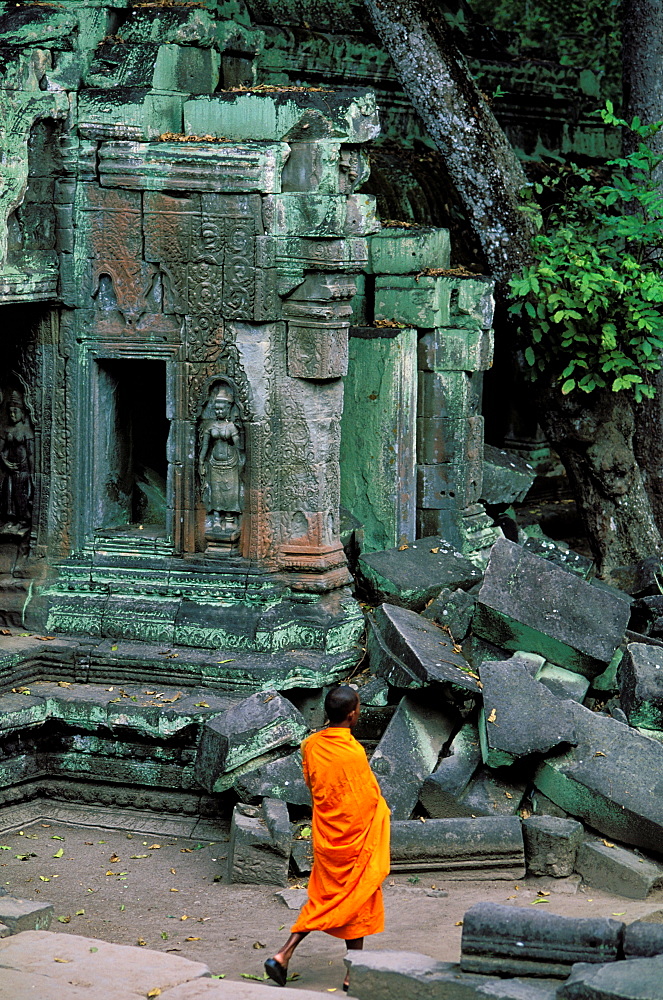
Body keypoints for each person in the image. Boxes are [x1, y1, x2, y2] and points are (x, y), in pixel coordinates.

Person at [265, 685, 390, 991]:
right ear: (353, 715)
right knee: (357, 898)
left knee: (323, 899)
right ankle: (352, 973)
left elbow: (315, 785)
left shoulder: (311, 745)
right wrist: (380, 813)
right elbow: (364, 800)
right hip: (353, 838)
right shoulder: (353, 753)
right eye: (358, 708)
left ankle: (283, 954)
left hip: (327, 837)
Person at [198, 389, 244, 538]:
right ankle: (217, 519)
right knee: (216, 491)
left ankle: (230, 519)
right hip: (214, 463)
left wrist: (238, 433)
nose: (219, 411)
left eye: (222, 408)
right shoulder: (210, 427)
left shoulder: (231, 426)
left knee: (230, 492)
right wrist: (200, 462)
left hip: (231, 463)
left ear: (228, 409)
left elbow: (239, 446)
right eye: (216, 408)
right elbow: (205, 447)